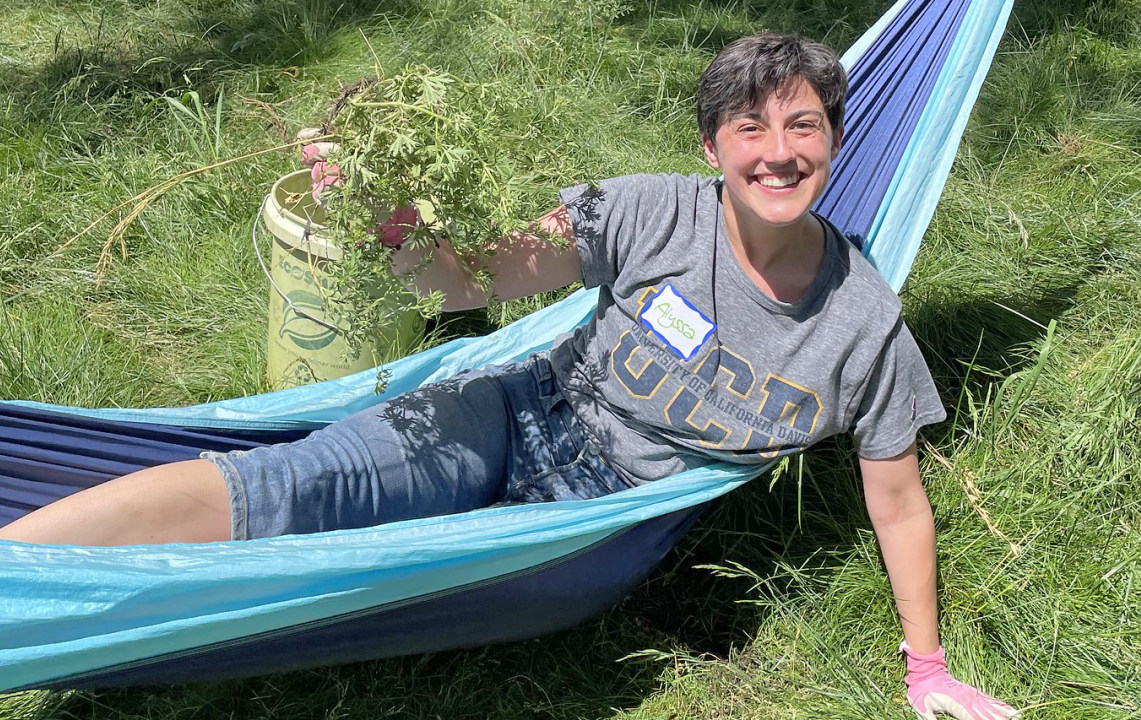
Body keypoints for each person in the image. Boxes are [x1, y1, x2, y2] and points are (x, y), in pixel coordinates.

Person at [0, 34, 1018, 720]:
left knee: (368, 576)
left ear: (837, 140)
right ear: (711, 146)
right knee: (300, 485)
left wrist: (924, 668)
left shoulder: (860, 323)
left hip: (588, 537)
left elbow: (897, 504)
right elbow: (480, 278)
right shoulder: (650, 212)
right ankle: (15, 579)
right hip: (510, 412)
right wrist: (392, 226)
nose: (779, 151)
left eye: (803, 126)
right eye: (751, 127)